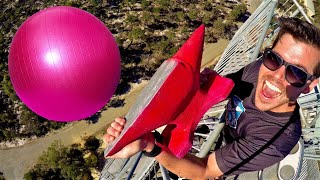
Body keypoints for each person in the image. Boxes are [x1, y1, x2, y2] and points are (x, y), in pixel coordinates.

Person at [103, 17, 320, 179]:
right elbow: (227, 85)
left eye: (297, 73)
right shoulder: (260, 69)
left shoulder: (274, 140)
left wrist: (150, 144)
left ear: (310, 85)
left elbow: (205, 170)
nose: (276, 76)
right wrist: (207, 82)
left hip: (244, 164)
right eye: (274, 58)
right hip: (229, 136)